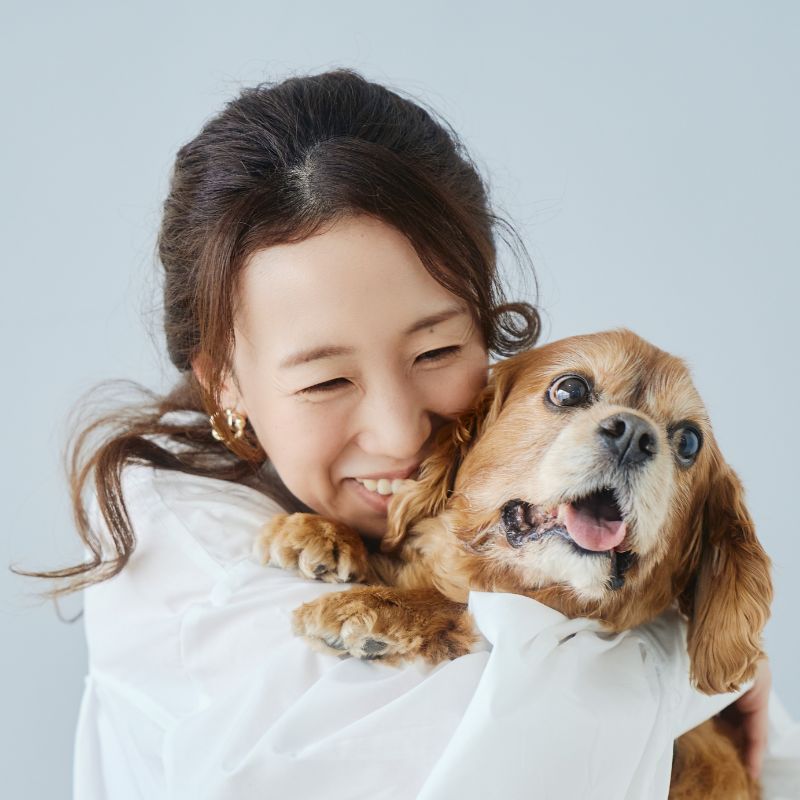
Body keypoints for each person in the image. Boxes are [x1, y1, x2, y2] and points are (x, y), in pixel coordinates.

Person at [27, 68, 795, 799]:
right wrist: (694, 669)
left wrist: (720, 633)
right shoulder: (183, 557)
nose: (401, 435)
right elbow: (515, 752)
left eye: (436, 352)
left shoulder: (504, 483)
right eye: (326, 380)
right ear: (223, 382)